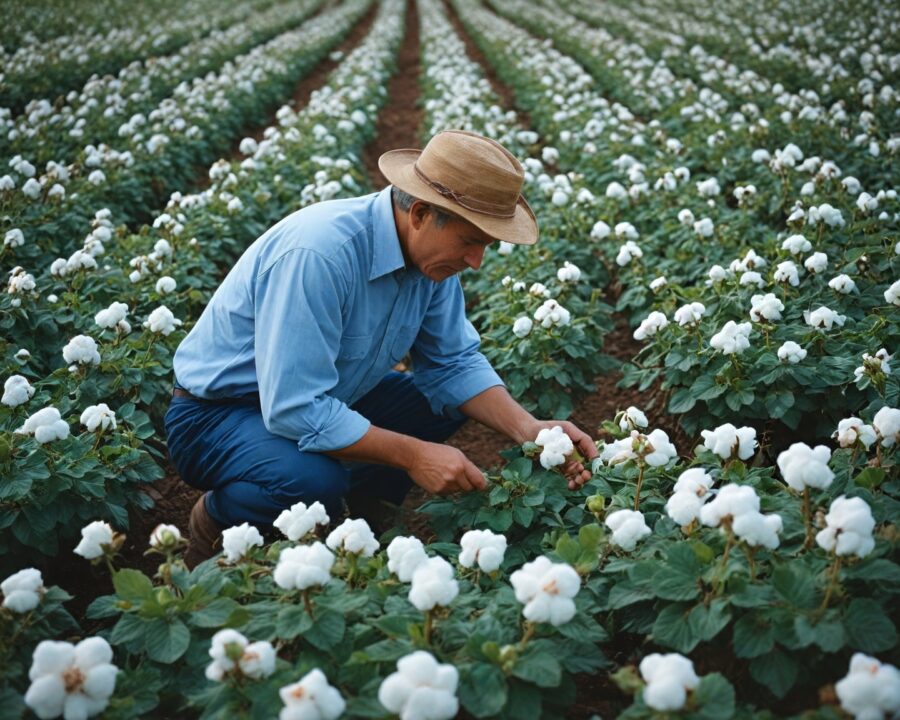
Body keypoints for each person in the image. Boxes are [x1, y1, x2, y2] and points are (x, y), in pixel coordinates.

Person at [166, 129, 599, 567]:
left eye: (485, 246)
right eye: (470, 241)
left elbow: (453, 363)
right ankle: (221, 520)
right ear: (421, 214)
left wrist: (530, 430)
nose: (475, 262)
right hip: (217, 416)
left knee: (440, 406)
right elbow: (293, 407)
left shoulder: (431, 263)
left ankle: (362, 513)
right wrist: (414, 456)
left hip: (328, 394)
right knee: (313, 482)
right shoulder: (320, 255)